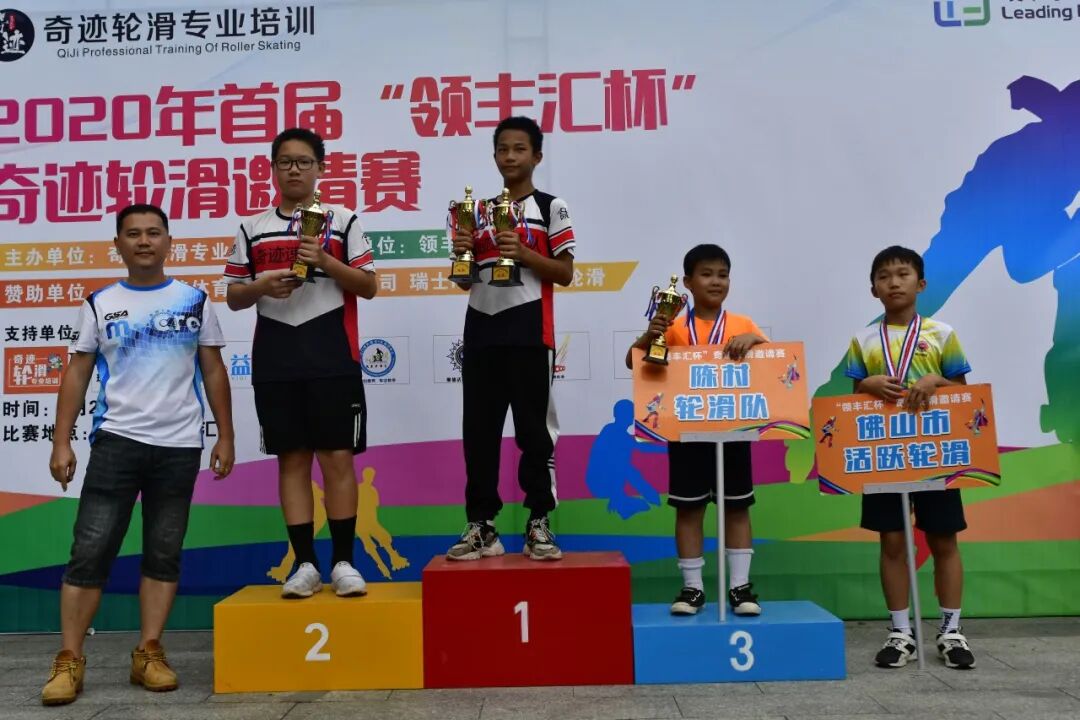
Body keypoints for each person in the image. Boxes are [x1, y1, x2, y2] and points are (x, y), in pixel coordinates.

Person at [42, 204, 234, 705]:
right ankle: (69, 659)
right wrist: (61, 440)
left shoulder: (194, 300)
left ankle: (149, 652)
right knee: (90, 551)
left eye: (153, 232)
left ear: (169, 241)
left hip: (179, 445)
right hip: (117, 442)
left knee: (164, 551)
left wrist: (226, 435)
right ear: (119, 244)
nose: (144, 241)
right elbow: (77, 373)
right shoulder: (100, 303)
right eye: (133, 234)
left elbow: (213, 370)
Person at [224, 127, 377, 598]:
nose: (294, 169)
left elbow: (369, 285)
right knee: (291, 461)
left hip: (333, 356)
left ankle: (344, 562)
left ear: (320, 168)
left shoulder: (343, 221)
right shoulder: (252, 227)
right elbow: (234, 296)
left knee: (337, 458)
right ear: (272, 169)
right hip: (277, 359)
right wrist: (261, 286)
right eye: (285, 162)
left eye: (304, 161)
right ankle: (305, 563)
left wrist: (327, 262)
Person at [445, 116, 575, 561]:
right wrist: (462, 254)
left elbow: (565, 272)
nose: (510, 156)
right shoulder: (476, 211)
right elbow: (465, 281)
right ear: (494, 156)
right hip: (481, 330)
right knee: (478, 434)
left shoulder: (551, 207)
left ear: (537, 156)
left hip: (529, 331)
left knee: (535, 433)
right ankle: (482, 525)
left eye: (519, 148)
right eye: (502, 149)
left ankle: (538, 521)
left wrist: (524, 253)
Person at [845, 245, 975, 670]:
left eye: (902, 274)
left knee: (943, 541)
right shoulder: (863, 340)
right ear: (873, 289)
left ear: (920, 284)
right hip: (884, 455)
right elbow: (851, 401)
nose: (893, 282)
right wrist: (866, 385)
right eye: (884, 276)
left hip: (935, 454)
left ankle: (951, 632)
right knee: (893, 542)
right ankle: (901, 632)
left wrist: (937, 380)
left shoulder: (942, 334)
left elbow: (964, 395)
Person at [625, 244, 767, 616]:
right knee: (689, 511)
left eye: (722, 274)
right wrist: (650, 334)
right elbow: (633, 362)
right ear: (687, 283)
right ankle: (693, 589)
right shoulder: (672, 326)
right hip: (686, 436)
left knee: (737, 509)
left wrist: (754, 340)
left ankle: (740, 588)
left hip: (733, 433)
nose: (715, 281)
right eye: (706, 274)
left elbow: (773, 363)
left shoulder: (743, 324)